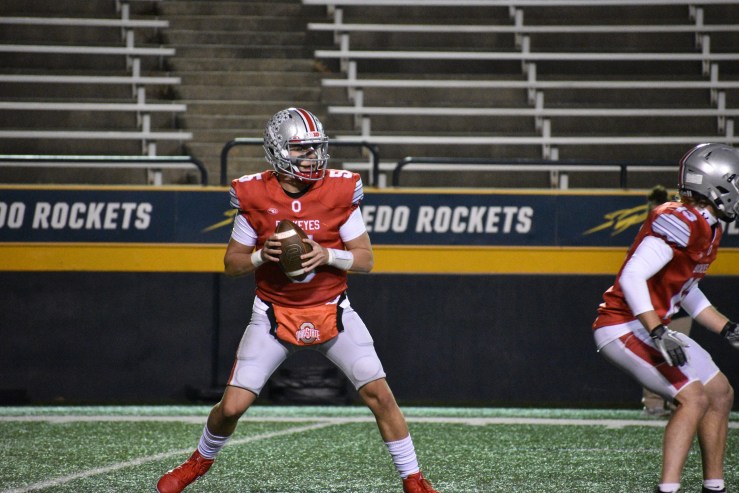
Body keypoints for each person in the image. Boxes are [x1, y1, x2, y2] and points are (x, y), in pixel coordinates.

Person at [156, 107, 439, 493]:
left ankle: (413, 479)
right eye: (302, 149)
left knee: (380, 395)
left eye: (315, 148)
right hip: (273, 315)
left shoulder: (339, 191)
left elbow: (366, 260)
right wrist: (261, 255)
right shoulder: (254, 194)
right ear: (277, 151)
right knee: (232, 406)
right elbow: (232, 265)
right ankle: (198, 462)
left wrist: (327, 255)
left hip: (333, 311)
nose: (312, 156)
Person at [592, 143, 739, 493]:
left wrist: (727, 328)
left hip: (647, 326)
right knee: (693, 398)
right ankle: (667, 489)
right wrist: (658, 331)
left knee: (720, 393)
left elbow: (685, 289)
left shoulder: (710, 227)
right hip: (622, 325)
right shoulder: (680, 220)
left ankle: (714, 486)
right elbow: (632, 276)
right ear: (715, 184)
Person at [640, 185, 693, 417]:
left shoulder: (685, 231)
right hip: (658, 304)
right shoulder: (648, 232)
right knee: (655, 354)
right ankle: (654, 402)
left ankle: (677, 400)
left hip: (674, 302)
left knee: (679, 354)